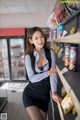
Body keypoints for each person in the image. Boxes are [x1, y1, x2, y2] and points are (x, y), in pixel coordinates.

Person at [22, 27, 62, 120]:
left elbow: (53, 75)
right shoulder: (28, 57)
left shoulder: (50, 53)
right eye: (36, 38)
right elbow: (32, 78)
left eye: (42, 37)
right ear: (31, 41)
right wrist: (47, 72)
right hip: (30, 94)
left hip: (44, 96)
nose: (40, 40)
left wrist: (54, 92)